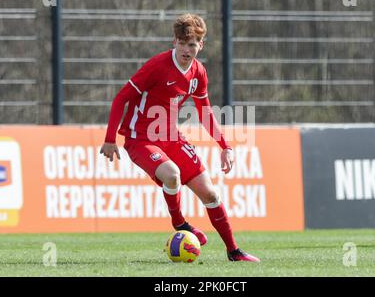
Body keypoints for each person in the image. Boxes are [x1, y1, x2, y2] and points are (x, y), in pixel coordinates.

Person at [100, 13, 259, 262]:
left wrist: (225, 146)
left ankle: (234, 251)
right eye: (183, 43)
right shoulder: (157, 66)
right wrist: (110, 139)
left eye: (192, 44)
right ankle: (180, 223)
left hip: (171, 136)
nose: (187, 49)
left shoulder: (198, 73)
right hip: (140, 139)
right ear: (175, 42)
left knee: (211, 195)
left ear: (201, 45)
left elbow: (205, 112)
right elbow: (122, 98)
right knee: (172, 173)